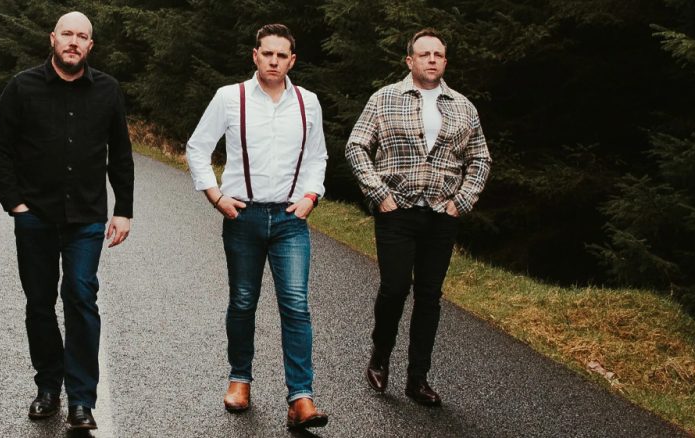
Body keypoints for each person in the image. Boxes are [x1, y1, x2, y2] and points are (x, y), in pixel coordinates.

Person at [0, 11, 134, 431]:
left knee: (81, 296)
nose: (73, 41)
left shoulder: (107, 90)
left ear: (90, 45)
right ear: (53, 38)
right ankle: (49, 388)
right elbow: (0, 148)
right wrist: (14, 203)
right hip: (34, 216)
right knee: (39, 304)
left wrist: (124, 208)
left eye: (82, 36)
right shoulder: (22, 87)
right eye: (67, 33)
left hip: (86, 217)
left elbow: (121, 155)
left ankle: (82, 401)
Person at [185, 23, 329, 431]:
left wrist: (310, 196)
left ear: (292, 60)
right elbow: (197, 146)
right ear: (255, 55)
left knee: (296, 306)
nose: (274, 61)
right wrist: (215, 195)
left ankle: (301, 397)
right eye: (267, 53)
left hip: (289, 219)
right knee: (244, 301)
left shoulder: (308, 102)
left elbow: (318, 156)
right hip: (242, 216)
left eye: (282, 55)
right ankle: (240, 379)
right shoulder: (229, 98)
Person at [343, 28, 491, 407]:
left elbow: (480, 159)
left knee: (429, 296)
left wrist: (462, 201)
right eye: (423, 54)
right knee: (395, 287)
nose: (431, 60)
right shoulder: (385, 99)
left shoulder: (463, 106)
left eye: (437, 54)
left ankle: (417, 378)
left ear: (444, 61)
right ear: (409, 60)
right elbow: (357, 146)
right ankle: (380, 355)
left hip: (442, 214)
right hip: (397, 211)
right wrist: (379, 194)